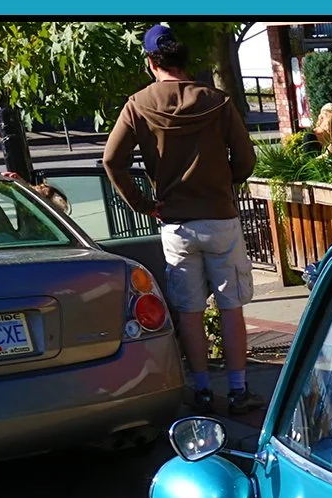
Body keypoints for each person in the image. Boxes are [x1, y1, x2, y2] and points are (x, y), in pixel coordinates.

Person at [103, 24, 259, 417]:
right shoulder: (217, 101)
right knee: (231, 306)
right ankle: (239, 391)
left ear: (151, 61)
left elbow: (112, 161)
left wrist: (143, 203)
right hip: (220, 219)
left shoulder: (137, 105)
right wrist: (224, 183)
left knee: (189, 310)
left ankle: (203, 391)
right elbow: (246, 160)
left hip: (175, 223)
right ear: (184, 58)